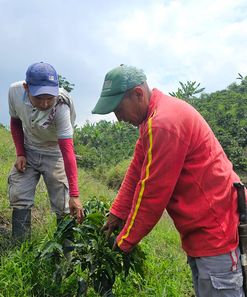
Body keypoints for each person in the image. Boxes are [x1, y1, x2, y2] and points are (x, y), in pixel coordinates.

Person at [92, 64, 245, 296]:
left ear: (138, 94)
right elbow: (137, 168)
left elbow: (153, 194)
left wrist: (126, 241)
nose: (119, 118)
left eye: (119, 109)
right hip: (202, 229)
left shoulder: (163, 123)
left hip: (217, 230)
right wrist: (118, 212)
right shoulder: (152, 119)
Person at [8, 62, 84, 242]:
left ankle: (66, 258)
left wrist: (74, 195)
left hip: (55, 152)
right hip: (30, 147)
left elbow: (67, 150)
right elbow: (16, 122)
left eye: (50, 97)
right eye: (39, 98)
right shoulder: (15, 92)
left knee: (64, 205)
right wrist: (21, 153)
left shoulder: (61, 106)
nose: (45, 103)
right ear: (27, 88)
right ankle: (21, 251)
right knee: (19, 193)